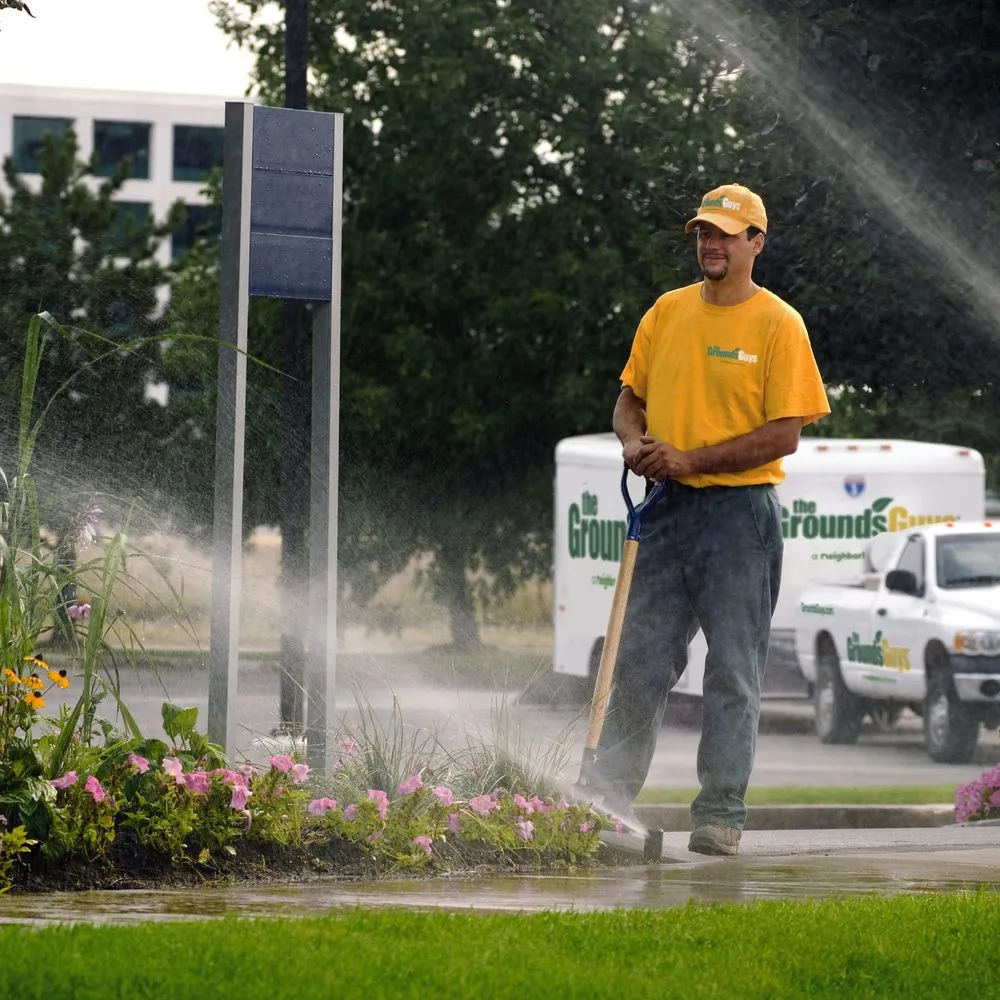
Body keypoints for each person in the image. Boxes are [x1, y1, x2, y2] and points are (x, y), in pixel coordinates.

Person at [597, 183, 830, 856]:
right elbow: (628, 402)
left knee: (732, 671)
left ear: (757, 241)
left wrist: (691, 459)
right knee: (638, 662)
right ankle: (606, 804)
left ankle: (720, 816)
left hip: (739, 516)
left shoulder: (778, 324)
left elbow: (784, 435)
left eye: (726, 234)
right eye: (704, 232)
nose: (711, 244)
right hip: (665, 509)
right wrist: (633, 443)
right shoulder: (667, 312)